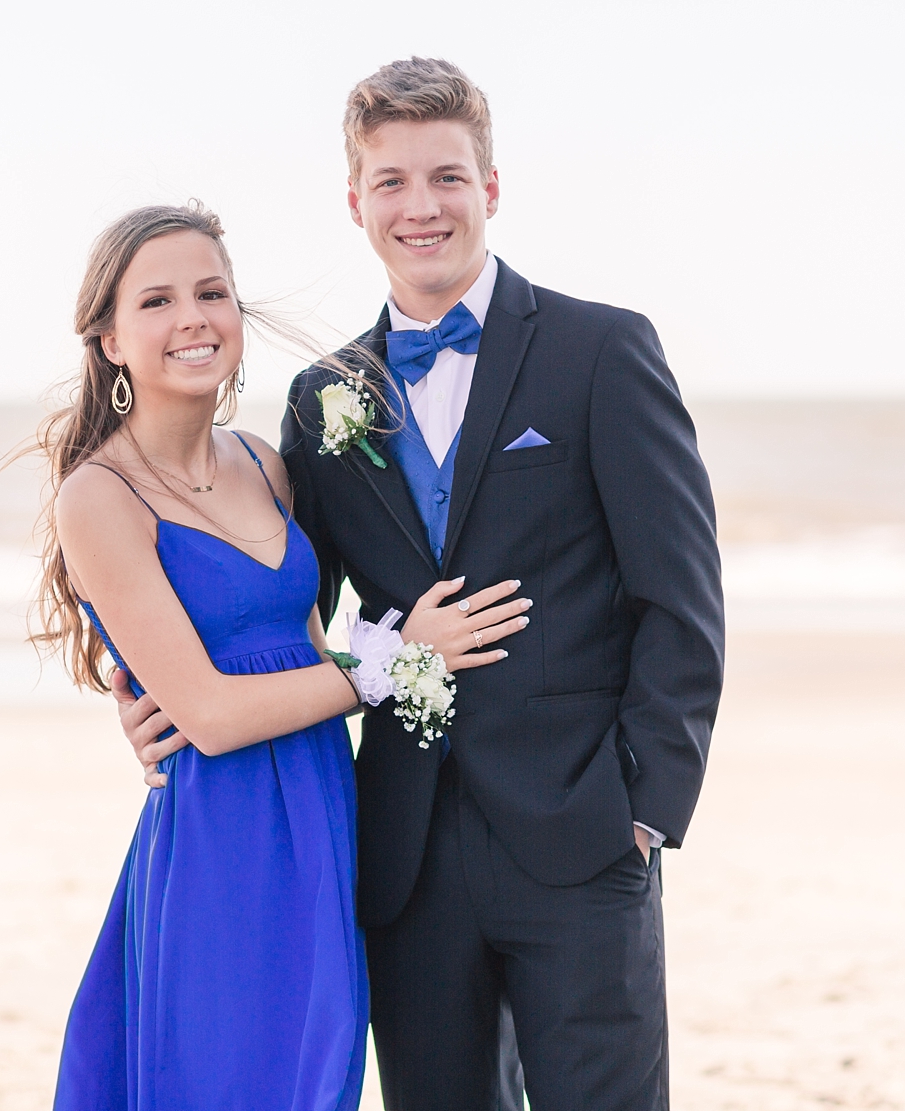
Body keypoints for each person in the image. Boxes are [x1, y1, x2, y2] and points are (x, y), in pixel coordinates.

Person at [118, 59, 725, 1110]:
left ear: (491, 187)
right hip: (401, 854)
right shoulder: (322, 400)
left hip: (581, 835)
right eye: (391, 182)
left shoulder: (601, 351)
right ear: (356, 203)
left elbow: (681, 596)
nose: (421, 207)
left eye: (446, 177)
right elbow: (274, 603)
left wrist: (644, 809)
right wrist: (145, 699)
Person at [38, 201, 531, 1110]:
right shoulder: (97, 497)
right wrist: (395, 661)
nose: (193, 318)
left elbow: (299, 657)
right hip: (221, 841)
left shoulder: (265, 464)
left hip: (322, 814)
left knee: (320, 1074)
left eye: (211, 292)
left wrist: (371, 665)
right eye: (156, 301)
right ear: (108, 338)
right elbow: (215, 718)